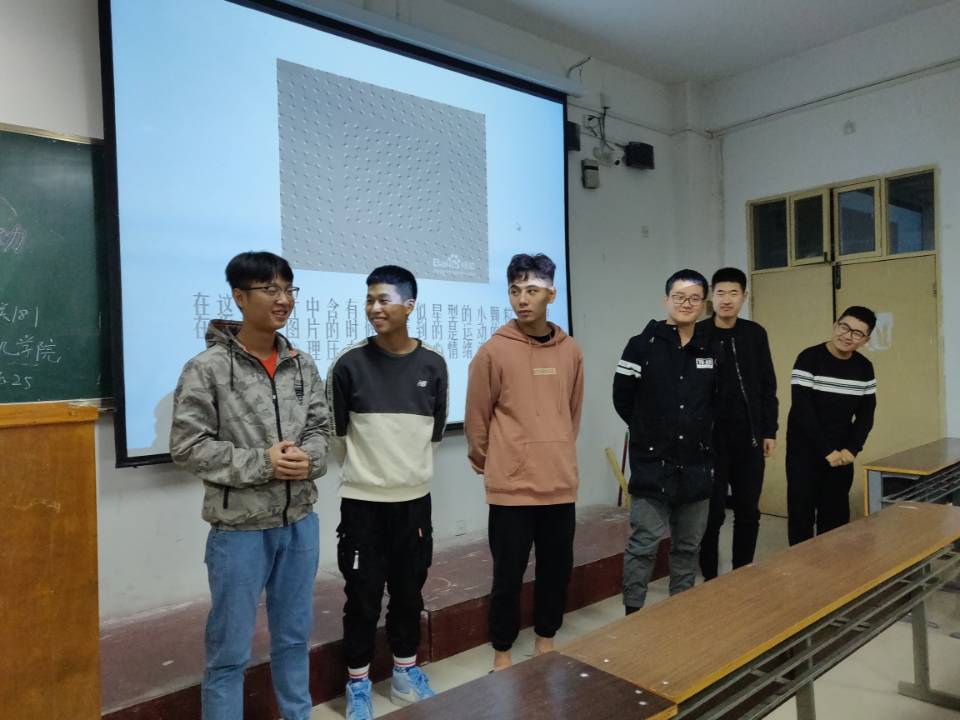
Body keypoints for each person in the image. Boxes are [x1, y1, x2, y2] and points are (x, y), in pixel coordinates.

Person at [170, 251, 329, 720]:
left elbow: (321, 430)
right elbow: (188, 446)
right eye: (270, 289)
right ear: (240, 297)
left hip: (299, 523)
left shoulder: (301, 364)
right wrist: (263, 463)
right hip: (239, 530)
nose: (283, 300)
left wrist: (309, 459)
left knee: (294, 639)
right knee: (229, 653)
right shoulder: (207, 368)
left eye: (288, 289)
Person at [326, 265, 448, 720]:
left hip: (414, 502)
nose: (374, 308)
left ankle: (404, 672)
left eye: (384, 300)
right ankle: (358, 683)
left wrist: (403, 473)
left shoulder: (433, 364)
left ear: (409, 306)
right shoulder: (348, 364)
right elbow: (337, 436)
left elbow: (434, 433)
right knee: (362, 595)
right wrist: (372, 474)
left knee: (409, 592)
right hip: (363, 504)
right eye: (369, 299)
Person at [465, 253, 584, 672]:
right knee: (508, 575)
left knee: (556, 571)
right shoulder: (493, 351)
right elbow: (477, 417)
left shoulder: (571, 351)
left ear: (551, 294)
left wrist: (556, 450)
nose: (522, 299)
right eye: (515, 290)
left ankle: (545, 640)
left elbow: (572, 414)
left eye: (532, 290)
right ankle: (502, 651)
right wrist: (495, 460)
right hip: (511, 489)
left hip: (558, 483)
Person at [613, 269, 721, 614]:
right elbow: (622, 398)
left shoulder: (712, 347)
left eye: (694, 298)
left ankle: (680, 612)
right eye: (679, 297)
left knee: (688, 546)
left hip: (697, 465)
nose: (686, 304)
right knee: (643, 545)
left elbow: (718, 402)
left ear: (703, 305)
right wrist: (649, 432)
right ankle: (633, 614)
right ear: (666, 301)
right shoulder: (641, 345)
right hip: (652, 464)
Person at [697, 267, 777, 579]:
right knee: (712, 513)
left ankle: (742, 573)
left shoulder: (755, 334)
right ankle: (710, 576)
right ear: (711, 297)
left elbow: (767, 385)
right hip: (710, 441)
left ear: (744, 297)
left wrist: (769, 430)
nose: (727, 299)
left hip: (749, 437)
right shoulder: (698, 334)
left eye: (733, 293)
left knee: (748, 510)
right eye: (720, 293)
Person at [786, 307, 877, 545]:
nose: (848, 336)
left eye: (857, 333)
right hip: (804, 452)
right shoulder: (809, 358)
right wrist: (826, 451)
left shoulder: (864, 368)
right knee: (801, 517)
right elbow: (803, 411)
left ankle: (831, 567)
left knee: (835, 520)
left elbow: (866, 414)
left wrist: (851, 449)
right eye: (844, 327)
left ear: (865, 340)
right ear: (836, 325)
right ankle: (799, 566)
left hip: (841, 456)